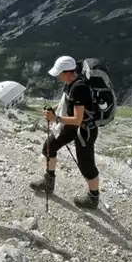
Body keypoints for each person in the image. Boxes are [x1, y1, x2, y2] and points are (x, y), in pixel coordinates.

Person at [29, 55, 101, 209]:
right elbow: (65, 101)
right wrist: (53, 109)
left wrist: (56, 118)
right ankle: (48, 182)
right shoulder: (70, 83)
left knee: (86, 165)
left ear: (69, 72)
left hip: (84, 130)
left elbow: (78, 118)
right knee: (49, 146)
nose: (59, 76)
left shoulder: (79, 88)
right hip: (72, 126)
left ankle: (93, 198)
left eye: (60, 73)